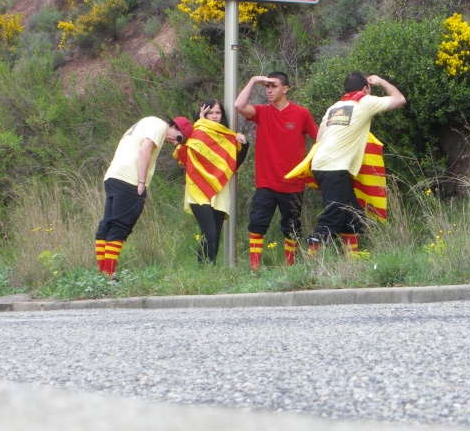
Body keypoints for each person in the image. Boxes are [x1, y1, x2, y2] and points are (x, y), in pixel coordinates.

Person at [295, 72, 406, 254]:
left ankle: (351, 263)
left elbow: (319, 139)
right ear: (364, 89)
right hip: (335, 168)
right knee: (333, 217)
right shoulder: (365, 102)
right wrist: (381, 82)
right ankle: (309, 261)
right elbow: (399, 99)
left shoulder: (333, 108)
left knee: (353, 216)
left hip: (322, 165)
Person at [234, 72, 318, 270]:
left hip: (293, 183)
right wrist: (253, 80)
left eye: (274, 86)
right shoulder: (262, 112)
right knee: (257, 224)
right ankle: (254, 269)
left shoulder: (301, 113)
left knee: (291, 228)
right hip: (266, 183)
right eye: (267, 86)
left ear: (285, 89)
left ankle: (290, 268)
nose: (269, 90)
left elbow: (318, 140)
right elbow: (239, 106)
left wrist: (312, 170)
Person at [95, 116, 193, 279]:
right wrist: (141, 182)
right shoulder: (159, 125)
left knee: (107, 224)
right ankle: (108, 275)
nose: (175, 143)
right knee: (120, 226)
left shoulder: (145, 122)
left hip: (113, 176)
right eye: (178, 138)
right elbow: (144, 150)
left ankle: (103, 275)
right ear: (175, 126)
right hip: (129, 179)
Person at [174, 100, 249, 264]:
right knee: (209, 233)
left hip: (219, 189)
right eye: (210, 113)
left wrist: (244, 146)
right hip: (198, 190)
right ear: (204, 114)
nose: (214, 116)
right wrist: (199, 123)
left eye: (217, 112)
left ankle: (210, 268)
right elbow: (182, 153)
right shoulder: (196, 132)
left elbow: (233, 165)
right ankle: (203, 267)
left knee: (215, 232)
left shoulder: (226, 137)